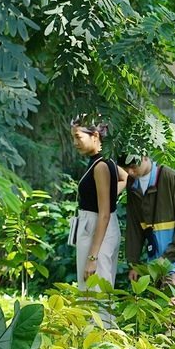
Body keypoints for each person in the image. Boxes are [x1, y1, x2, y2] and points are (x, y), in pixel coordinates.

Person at [117, 153, 175, 286]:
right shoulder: (132, 184)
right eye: (125, 169)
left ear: (145, 156)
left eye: (132, 166)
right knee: (158, 305)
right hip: (154, 262)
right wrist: (133, 263)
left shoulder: (170, 177)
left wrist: (167, 259)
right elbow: (134, 227)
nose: (129, 172)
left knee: (173, 305)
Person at [71, 117, 125, 291]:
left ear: (94, 135)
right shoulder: (104, 160)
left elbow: (104, 214)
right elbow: (125, 178)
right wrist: (107, 196)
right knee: (92, 292)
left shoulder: (101, 166)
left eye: (78, 137)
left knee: (95, 292)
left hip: (98, 228)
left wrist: (92, 257)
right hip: (97, 226)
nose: (75, 143)